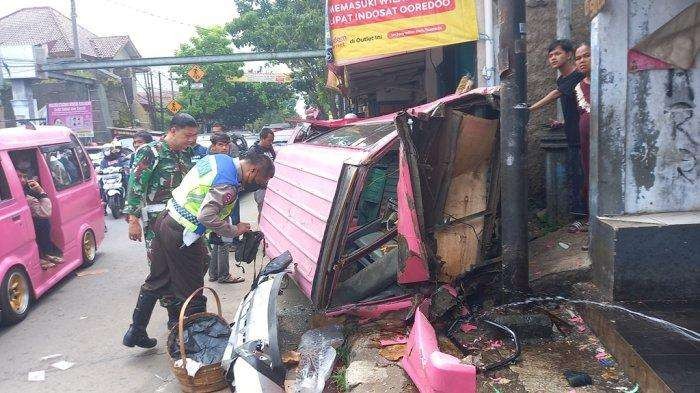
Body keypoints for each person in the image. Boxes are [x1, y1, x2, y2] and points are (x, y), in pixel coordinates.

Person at [122, 153, 274, 348]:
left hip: (166, 219)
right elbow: (207, 216)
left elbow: (203, 197)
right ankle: (197, 346)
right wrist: (235, 230)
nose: (261, 185)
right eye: (262, 181)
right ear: (253, 170)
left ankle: (136, 330)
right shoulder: (228, 184)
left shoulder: (220, 160)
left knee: (158, 278)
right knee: (192, 289)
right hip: (182, 234)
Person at [122, 113, 198, 333]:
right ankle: (173, 319)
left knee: (192, 264)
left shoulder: (185, 154)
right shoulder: (150, 152)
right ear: (173, 131)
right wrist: (133, 220)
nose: (191, 140)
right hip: (158, 223)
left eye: (194, 135)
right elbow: (136, 186)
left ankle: (177, 316)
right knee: (163, 271)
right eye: (187, 135)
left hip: (184, 220)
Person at [530, 39, 587, 225]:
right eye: (550, 55)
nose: (553, 58)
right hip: (571, 135)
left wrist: (530, 109)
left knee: (581, 177)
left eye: (557, 54)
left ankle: (582, 218)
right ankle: (580, 217)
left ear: (569, 55)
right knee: (574, 177)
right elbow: (576, 106)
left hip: (583, 137)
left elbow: (557, 94)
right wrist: (562, 122)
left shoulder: (578, 76)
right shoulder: (562, 79)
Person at [18, 168, 63, 269]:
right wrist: (41, 191)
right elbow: (45, 212)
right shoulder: (25, 196)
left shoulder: (28, 192)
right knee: (43, 221)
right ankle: (45, 254)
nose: (23, 180)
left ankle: (46, 254)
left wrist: (38, 191)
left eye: (25, 177)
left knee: (43, 221)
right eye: (18, 176)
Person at [574, 43, 591, 222]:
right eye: (578, 58)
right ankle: (592, 223)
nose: (582, 61)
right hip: (587, 143)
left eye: (586, 56)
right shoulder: (578, 87)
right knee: (589, 176)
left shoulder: (607, 81)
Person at [248, 129, 276, 214]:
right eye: (269, 140)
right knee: (263, 211)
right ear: (262, 138)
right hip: (260, 187)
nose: (270, 143)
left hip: (271, 184)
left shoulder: (270, 148)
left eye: (272, 141)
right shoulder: (254, 151)